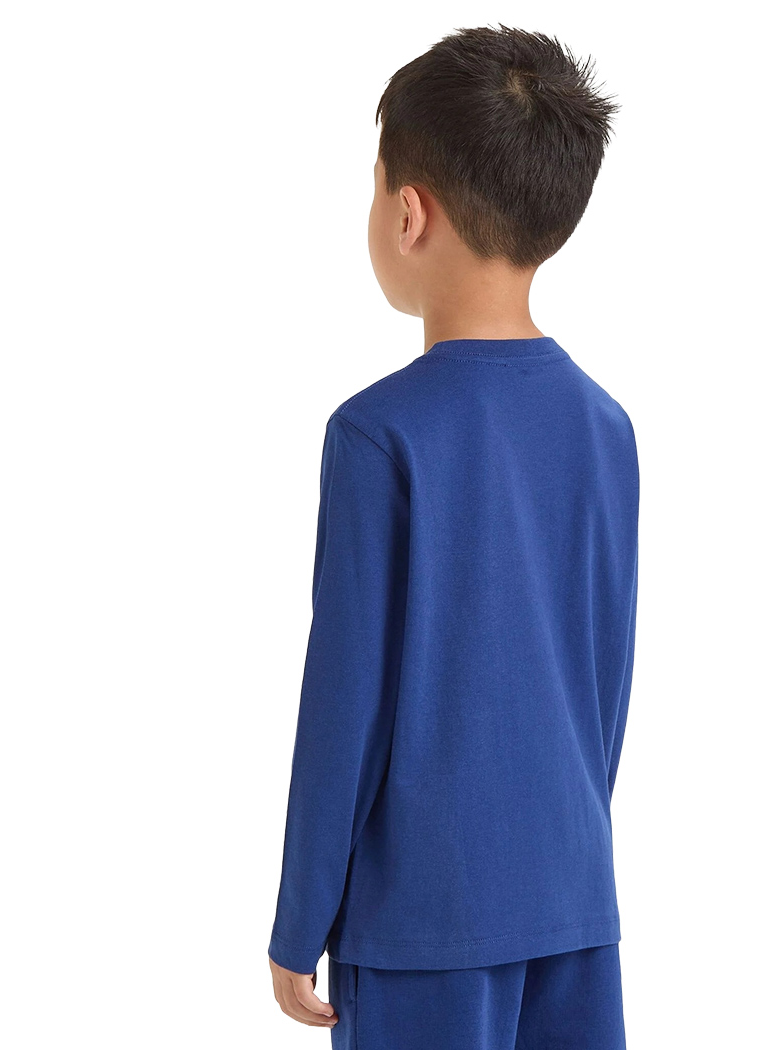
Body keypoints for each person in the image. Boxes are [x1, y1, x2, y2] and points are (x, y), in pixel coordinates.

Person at [268, 24, 637, 1050]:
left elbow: (345, 701)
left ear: (407, 212)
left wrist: (301, 918)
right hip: (573, 897)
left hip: (421, 921)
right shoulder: (606, 427)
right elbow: (604, 681)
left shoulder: (377, 434)